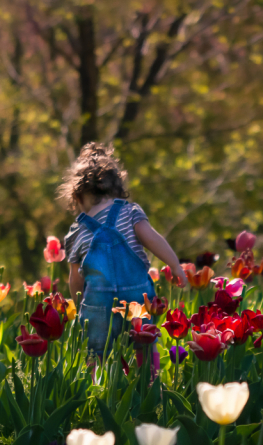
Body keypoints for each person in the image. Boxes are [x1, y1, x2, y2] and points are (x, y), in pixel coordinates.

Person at [60, 143, 186, 355]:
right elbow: (153, 239)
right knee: (144, 346)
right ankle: (150, 383)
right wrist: (174, 265)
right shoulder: (130, 213)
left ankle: (99, 386)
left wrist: (81, 304)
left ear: (78, 197)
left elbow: (75, 278)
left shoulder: (76, 232)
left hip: (98, 306)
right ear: (118, 191)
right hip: (137, 298)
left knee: (96, 354)